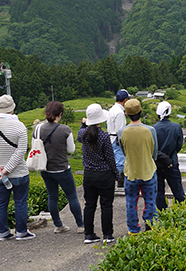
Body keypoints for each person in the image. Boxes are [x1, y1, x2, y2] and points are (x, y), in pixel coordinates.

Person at [0, 94, 34, 241]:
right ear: (12, 108)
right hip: (18, 173)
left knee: (1, 202)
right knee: (20, 201)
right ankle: (21, 232)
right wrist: (7, 169)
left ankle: (2, 233)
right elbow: (21, 151)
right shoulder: (19, 126)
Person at [39, 101, 84, 234]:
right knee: (72, 196)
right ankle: (80, 225)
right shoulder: (65, 129)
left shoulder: (38, 129)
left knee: (52, 197)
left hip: (46, 169)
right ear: (60, 114)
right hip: (62, 169)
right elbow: (71, 150)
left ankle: (58, 225)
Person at [77, 103, 119, 244]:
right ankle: (107, 235)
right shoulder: (104, 136)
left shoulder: (83, 134)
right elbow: (110, 158)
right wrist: (116, 174)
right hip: (104, 175)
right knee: (106, 205)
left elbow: (79, 133)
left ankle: (89, 234)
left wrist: (83, 124)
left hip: (89, 174)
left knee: (89, 205)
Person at [118, 98, 158, 233]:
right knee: (150, 202)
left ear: (126, 114)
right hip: (148, 171)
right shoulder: (150, 130)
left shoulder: (121, 132)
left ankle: (133, 230)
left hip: (130, 172)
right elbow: (154, 152)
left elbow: (124, 152)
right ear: (141, 111)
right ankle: (151, 227)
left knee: (131, 203)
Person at [154, 101, 186, 210]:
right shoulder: (176, 127)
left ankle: (162, 213)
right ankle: (180, 213)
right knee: (178, 191)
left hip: (157, 164)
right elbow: (179, 145)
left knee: (159, 192)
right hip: (172, 163)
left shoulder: (153, 128)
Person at [107, 89, 129, 190]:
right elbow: (120, 130)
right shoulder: (120, 112)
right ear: (125, 100)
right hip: (116, 139)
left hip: (111, 137)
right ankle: (120, 182)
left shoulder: (112, 109)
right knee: (120, 160)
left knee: (115, 159)